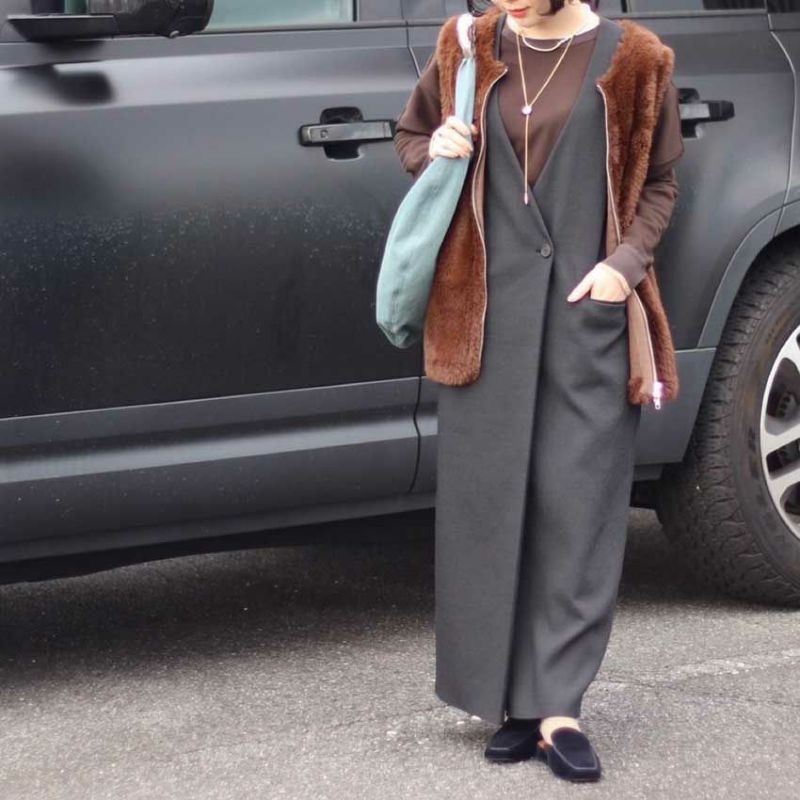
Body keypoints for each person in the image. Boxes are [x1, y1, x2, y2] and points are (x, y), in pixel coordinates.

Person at [392, 0, 684, 783]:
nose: (508, 3)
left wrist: (622, 269)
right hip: (483, 318)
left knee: (578, 509)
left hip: (586, 317)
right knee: (490, 511)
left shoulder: (636, 60)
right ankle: (509, 702)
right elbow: (410, 136)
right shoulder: (468, 44)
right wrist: (435, 147)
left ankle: (559, 707)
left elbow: (660, 183)